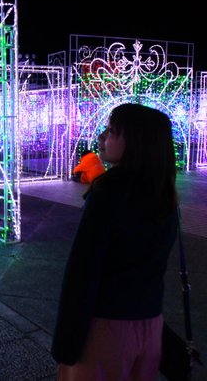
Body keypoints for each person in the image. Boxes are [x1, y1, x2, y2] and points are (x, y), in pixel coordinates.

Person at [51, 103, 179, 380]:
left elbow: (83, 272)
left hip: (106, 328)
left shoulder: (108, 192)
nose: (102, 137)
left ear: (135, 141)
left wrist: (66, 340)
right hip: (150, 325)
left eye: (111, 131)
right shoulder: (165, 194)